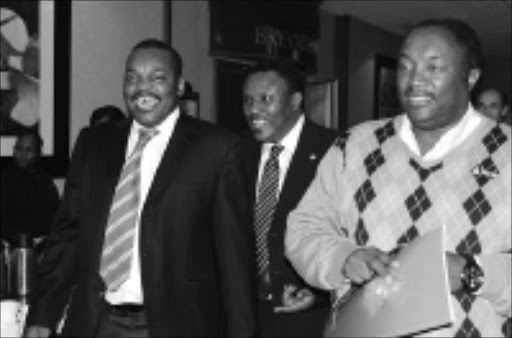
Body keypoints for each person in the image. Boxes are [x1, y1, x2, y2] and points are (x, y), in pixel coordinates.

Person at [286, 18, 511, 337]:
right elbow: (303, 228)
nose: (414, 81)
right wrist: (344, 257)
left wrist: (471, 272)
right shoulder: (355, 145)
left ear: (470, 77)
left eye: (434, 68)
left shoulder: (506, 153)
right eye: (405, 67)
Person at [24, 39, 256, 337]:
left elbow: (234, 260)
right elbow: (67, 235)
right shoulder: (94, 143)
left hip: (176, 325)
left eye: (157, 78)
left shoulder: (217, 148)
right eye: (132, 77)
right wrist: (43, 314)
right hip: (96, 321)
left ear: (180, 86)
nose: (142, 88)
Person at [237, 60, 337, 337]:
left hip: (307, 320)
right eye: (248, 100)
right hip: (246, 317)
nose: (253, 110)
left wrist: (319, 294)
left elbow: (349, 234)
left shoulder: (335, 150)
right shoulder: (235, 152)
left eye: (266, 99)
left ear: (295, 101)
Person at [0, 131, 60, 248]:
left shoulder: (45, 178)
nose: (22, 154)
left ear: (38, 154)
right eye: (19, 149)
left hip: (44, 244)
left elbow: (55, 213)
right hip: (14, 246)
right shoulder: (5, 178)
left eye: (29, 150)